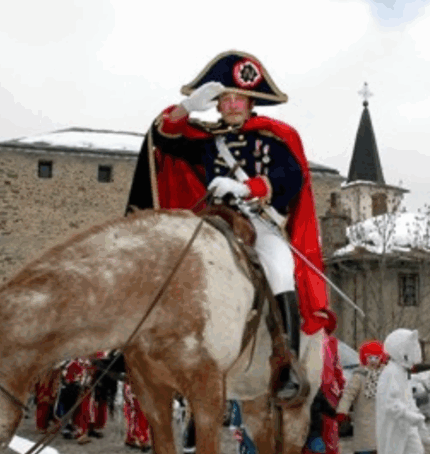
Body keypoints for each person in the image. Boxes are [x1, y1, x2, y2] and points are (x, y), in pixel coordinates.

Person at [125, 50, 328, 403]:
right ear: (217, 105)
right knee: (166, 258)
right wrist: (187, 107)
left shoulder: (274, 138)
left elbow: (292, 177)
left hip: (258, 222)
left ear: (252, 103)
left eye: (240, 98)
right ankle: (141, 342)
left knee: (281, 270)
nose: (233, 104)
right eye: (225, 98)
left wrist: (250, 188)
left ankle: (286, 361)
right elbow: (164, 138)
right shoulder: (205, 141)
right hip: (212, 219)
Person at [376, 328, 426, 454]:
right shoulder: (390, 372)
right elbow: (390, 403)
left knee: (416, 452)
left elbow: (407, 397)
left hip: (407, 422)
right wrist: (408, 415)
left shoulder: (403, 372)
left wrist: (415, 415)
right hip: (394, 423)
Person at [302, 313, 345, 454]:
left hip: (326, 388)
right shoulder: (306, 339)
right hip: (309, 386)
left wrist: (340, 384)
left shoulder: (331, 342)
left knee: (327, 428)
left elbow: (335, 365)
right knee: (314, 430)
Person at [337, 341, 386, 454]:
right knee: (366, 445)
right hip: (364, 416)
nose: (374, 361)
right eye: (370, 357)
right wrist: (342, 410)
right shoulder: (359, 375)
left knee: (378, 446)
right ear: (365, 358)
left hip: (380, 416)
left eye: (377, 357)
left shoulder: (385, 375)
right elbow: (349, 394)